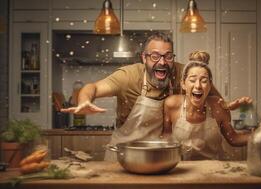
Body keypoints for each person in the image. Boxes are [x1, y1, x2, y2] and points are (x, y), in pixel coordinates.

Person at [61, 32, 250, 146]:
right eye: (155, 56)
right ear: (144, 58)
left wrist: (228, 105)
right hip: (127, 150)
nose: (162, 62)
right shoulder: (129, 76)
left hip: (160, 152)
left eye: (168, 56)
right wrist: (85, 100)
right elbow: (92, 87)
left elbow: (212, 94)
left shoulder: (181, 72)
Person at [163, 51, 252, 160]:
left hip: (215, 171)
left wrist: (259, 135)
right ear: (183, 84)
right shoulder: (172, 104)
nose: (198, 86)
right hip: (181, 171)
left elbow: (233, 139)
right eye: (192, 80)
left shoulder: (217, 106)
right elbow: (166, 139)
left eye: (204, 81)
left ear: (210, 85)